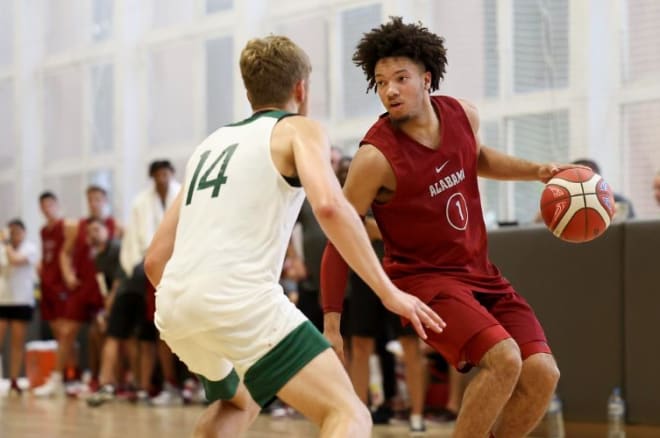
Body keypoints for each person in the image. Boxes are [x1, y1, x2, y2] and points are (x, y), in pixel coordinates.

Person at [144, 35, 444, 438]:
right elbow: (329, 207)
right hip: (240, 301)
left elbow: (154, 259)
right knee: (350, 414)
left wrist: (200, 303)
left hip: (176, 307)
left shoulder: (209, 145)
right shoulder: (299, 129)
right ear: (301, 89)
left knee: (238, 401)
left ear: (248, 91)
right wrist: (389, 291)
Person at [320, 17, 563, 438]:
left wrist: (536, 170)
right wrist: (330, 322)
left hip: (480, 274)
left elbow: (478, 156)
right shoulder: (375, 157)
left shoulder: (461, 114)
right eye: (381, 82)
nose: (390, 90)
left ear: (426, 78)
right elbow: (338, 237)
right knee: (503, 358)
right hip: (423, 281)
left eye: (401, 78)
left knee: (542, 373)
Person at [0, 219, 38, 395]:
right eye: (11, 231)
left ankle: (14, 379)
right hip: (3, 300)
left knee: (16, 342)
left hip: (22, 300)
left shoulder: (30, 249)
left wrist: (6, 244)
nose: (14, 235)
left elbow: (15, 260)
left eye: (17, 231)